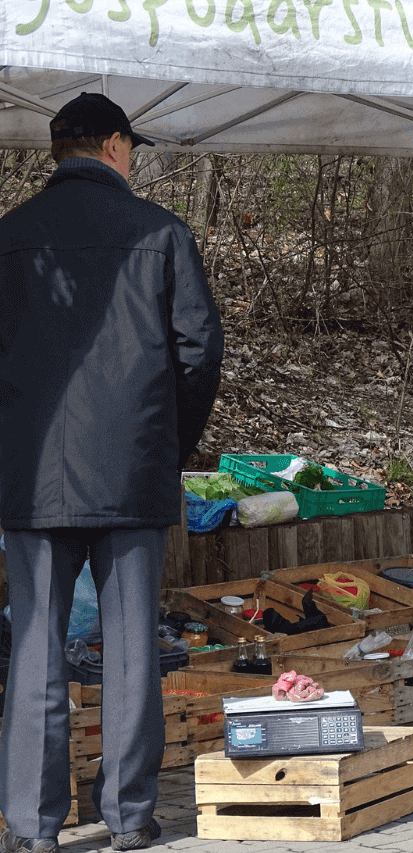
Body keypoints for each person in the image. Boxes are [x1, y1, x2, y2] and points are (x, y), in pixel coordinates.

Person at [0, 92, 224, 853]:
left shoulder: (10, 237)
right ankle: (128, 817)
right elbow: (198, 351)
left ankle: (32, 827)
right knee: (131, 651)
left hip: (33, 480)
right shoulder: (160, 233)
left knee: (37, 648)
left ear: (59, 151)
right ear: (116, 148)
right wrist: (166, 444)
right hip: (131, 471)